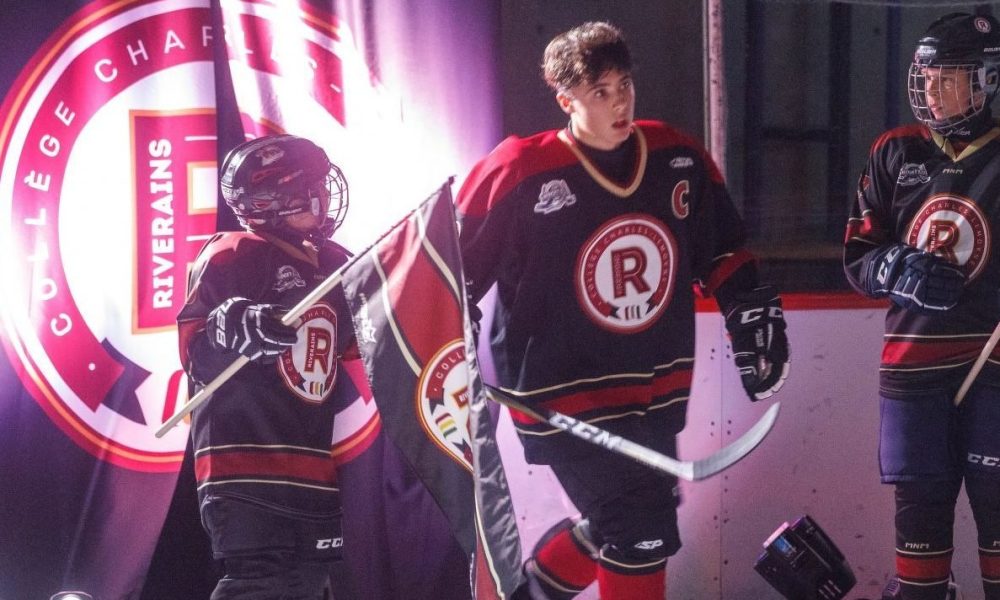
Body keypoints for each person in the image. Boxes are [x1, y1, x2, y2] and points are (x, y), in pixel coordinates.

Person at [456, 21, 789, 600]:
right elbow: (451, 275)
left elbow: (722, 249)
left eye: (625, 85)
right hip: (558, 393)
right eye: (601, 91)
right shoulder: (519, 172)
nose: (620, 102)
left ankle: (533, 593)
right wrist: (451, 339)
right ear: (567, 100)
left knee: (627, 521)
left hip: (653, 387)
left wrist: (750, 313)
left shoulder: (676, 156)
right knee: (641, 532)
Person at [844, 12, 1000, 600]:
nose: (930, 87)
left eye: (946, 76)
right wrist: (899, 269)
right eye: (926, 74)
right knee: (920, 518)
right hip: (913, 368)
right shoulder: (894, 151)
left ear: (983, 80)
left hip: (994, 367)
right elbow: (858, 257)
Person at [176, 134, 352, 599]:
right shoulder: (233, 253)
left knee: (311, 584)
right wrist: (227, 323)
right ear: (277, 198)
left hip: (311, 462)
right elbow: (195, 356)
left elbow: (370, 342)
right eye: (312, 186)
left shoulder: (335, 264)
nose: (325, 195)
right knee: (262, 584)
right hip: (245, 463)